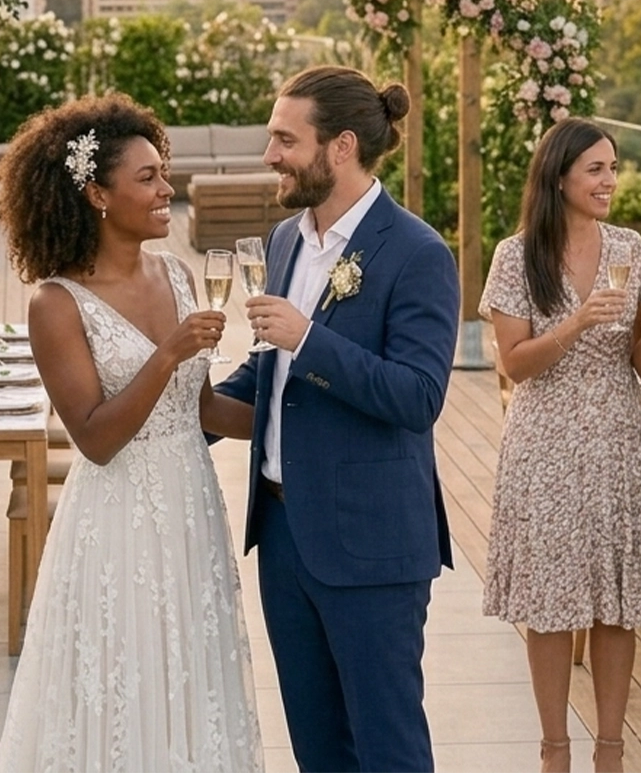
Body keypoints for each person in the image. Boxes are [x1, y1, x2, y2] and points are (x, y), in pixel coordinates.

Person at [0, 92, 263, 772]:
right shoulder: (55, 302)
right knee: (123, 674)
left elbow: (199, 409)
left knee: (189, 671)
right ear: (96, 195)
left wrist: (289, 422)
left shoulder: (174, 271)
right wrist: (167, 352)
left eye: (162, 172)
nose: (168, 188)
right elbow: (95, 438)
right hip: (115, 521)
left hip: (190, 507)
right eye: (148, 178)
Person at [214, 65, 461, 773]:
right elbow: (271, 374)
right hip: (286, 536)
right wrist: (181, 414)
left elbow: (417, 397)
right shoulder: (289, 239)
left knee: (387, 749)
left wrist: (310, 338)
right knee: (319, 750)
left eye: (285, 140)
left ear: (341, 146)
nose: (270, 155)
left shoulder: (416, 252)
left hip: (372, 541)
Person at [479, 117, 641, 773]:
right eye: (596, 170)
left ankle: (611, 749)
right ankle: (554, 749)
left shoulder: (632, 248)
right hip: (543, 444)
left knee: (617, 600)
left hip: (617, 440)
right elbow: (515, 365)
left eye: (613, 168)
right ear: (558, 178)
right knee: (551, 605)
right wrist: (578, 321)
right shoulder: (515, 256)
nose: (610, 180)